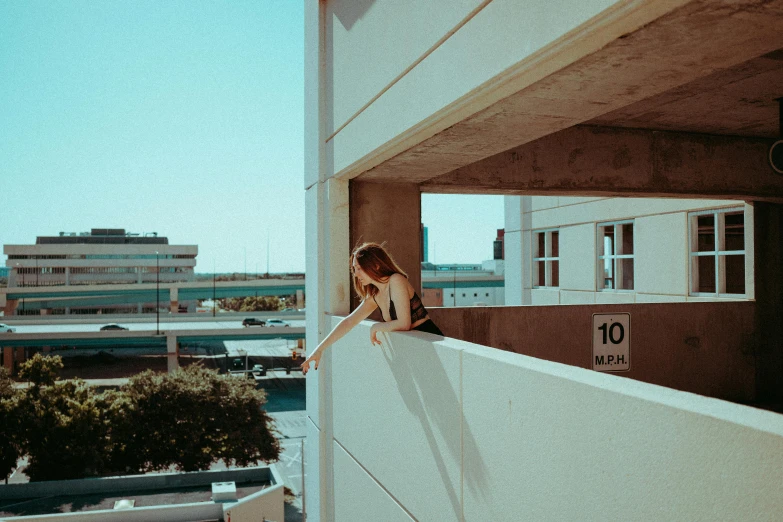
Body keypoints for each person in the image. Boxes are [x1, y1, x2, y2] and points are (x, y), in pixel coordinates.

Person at [301, 242, 443, 375]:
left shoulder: (396, 280)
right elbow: (349, 322)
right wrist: (319, 350)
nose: (356, 275)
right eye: (354, 269)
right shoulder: (375, 295)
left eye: (359, 268)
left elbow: (404, 323)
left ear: (375, 265)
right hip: (414, 350)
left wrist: (375, 327)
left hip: (432, 344)